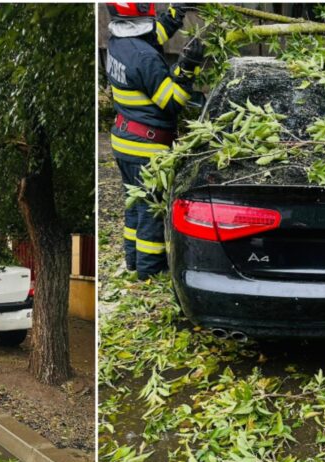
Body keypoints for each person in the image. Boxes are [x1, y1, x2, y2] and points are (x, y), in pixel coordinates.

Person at [105, 2, 203, 280]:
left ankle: (133, 263)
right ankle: (149, 274)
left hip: (125, 140)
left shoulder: (118, 42)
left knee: (134, 204)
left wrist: (176, 13)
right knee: (150, 210)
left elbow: (153, 33)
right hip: (146, 146)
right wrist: (187, 70)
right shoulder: (145, 59)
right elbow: (173, 103)